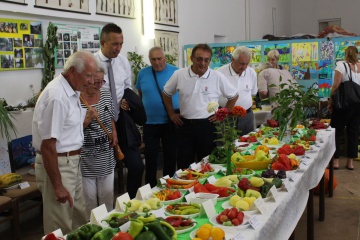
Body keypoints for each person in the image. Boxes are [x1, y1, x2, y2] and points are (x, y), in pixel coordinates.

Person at [32, 50, 99, 234]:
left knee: (79, 220)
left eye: (94, 76)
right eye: (88, 75)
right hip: (58, 164)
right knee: (59, 225)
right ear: (71, 72)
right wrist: (58, 185)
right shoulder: (58, 96)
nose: (92, 81)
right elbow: (48, 146)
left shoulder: (73, 90)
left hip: (72, 162)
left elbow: (69, 131)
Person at [163, 44, 239, 170]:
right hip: (185, 125)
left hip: (207, 126)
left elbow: (234, 95)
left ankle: (204, 188)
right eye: (199, 59)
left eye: (206, 60)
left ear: (210, 60)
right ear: (191, 58)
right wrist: (171, 113)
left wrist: (224, 113)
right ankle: (185, 187)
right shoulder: (179, 74)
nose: (202, 63)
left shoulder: (217, 76)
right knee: (184, 164)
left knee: (206, 163)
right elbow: (166, 93)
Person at [94, 23, 144, 198]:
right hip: (100, 121)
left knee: (137, 165)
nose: (119, 48)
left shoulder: (122, 61)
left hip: (122, 119)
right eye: (114, 44)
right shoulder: (92, 63)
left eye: (121, 43)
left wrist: (127, 103)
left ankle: (132, 202)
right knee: (104, 173)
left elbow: (126, 88)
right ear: (103, 42)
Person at [135, 46, 179, 187]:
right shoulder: (142, 73)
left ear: (164, 58)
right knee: (150, 156)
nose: (157, 62)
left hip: (170, 121)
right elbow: (140, 95)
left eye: (159, 58)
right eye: (153, 59)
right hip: (150, 123)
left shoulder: (176, 72)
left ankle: (168, 184)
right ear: (150, 60)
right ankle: (151, 186)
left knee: (170, 156)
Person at [80, 67, 118, 218]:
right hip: (86, 158)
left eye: (102, 81)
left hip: (106, 155)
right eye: (96, 81)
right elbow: (69, 130)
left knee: (107, 195)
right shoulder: (77, 99)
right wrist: (87, 120)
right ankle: (93, 228)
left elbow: (110, 118)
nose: (99, 85)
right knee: (89, 199)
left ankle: (107, 225)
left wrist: (114, 132)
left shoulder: (106, 95)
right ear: (87, 80)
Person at [328, 46, 360, 170]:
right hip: (358, 105)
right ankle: (350, 162)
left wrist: (331, 101)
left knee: (336, 131)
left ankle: (336, 161)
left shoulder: (341, 65)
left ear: (346, 54)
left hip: (344, 104)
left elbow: (336, 85)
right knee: (353, 132)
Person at [217, 46, 257, 135]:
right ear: (233, 60)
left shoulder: (251, 73)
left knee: (247, 143)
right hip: (227, 116)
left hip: (246, 116)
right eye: (242, 64)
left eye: (247, 64)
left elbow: (253, 92)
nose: (244, 67)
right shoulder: (220, 73)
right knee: (226, 143)